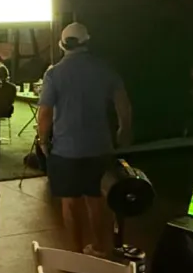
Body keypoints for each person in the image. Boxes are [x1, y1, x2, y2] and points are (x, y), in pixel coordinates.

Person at [37, 22, 132, 255]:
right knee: (97, 200)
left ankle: (75, 252)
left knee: (70, 203)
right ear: (86, 43)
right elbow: (123, 105)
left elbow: (45, 113)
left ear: (62, 45)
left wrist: (42, 140)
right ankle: (101, 248)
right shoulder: (104, 68)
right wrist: (124, 130)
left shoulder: (54, 73)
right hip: (100, 148)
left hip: (65, 151)